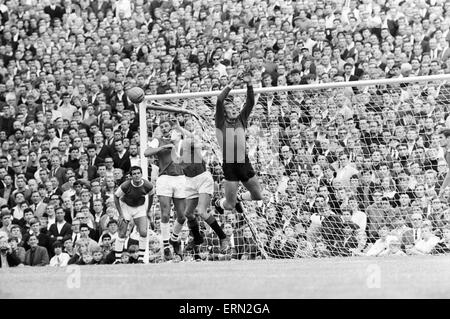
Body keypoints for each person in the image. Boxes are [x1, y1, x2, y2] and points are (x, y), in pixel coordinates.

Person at [173, 121, 230, 252]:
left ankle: (223, 237)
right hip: (189, 181)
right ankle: (198, 238)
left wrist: (180, 128)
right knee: (188, 213)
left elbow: (194, 139)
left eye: (174, 131)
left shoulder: (189, 144)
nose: (172, 132)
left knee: (201, 211)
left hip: (203, 178)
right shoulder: (172, 148)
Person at [214, 71, 263, 215]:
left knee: (258, 196)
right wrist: (231, 84)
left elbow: (251, 102)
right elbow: (219, 100)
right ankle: (218, 202)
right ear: (224, 112)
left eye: (235, 107)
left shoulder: (241, 120)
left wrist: (249, 83)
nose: (234, 108)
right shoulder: (220, 122)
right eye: (230, 107)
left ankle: (239, 198)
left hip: (244, 162)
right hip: (229, 165)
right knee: (229, 205)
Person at [145, 119, 187, 260]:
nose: (164, 128)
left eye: (166, 125)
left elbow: (192, 142)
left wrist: (178, 133)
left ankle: (174, 239)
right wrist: (163, 147)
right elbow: (146, 152)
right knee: (165, 214)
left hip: (180, 178)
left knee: (182, 215)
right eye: (161, 126)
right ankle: (166, 245)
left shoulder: (180, 139)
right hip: (164, 179)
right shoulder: (158, 140)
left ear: (171, 127)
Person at [114, 166, 153, 263]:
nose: (136, 175)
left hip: (139, 208)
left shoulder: (148, 185)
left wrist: (148, 210)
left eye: (138, 173)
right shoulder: (125, 185)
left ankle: (140, 258)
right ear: (131, 176)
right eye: (134, 174)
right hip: (126, 207)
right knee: (122, 233)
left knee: (143, 232)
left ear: (141, 174)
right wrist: (120, 214)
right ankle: (118, 259)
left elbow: (151, 196)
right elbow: (116, 197)